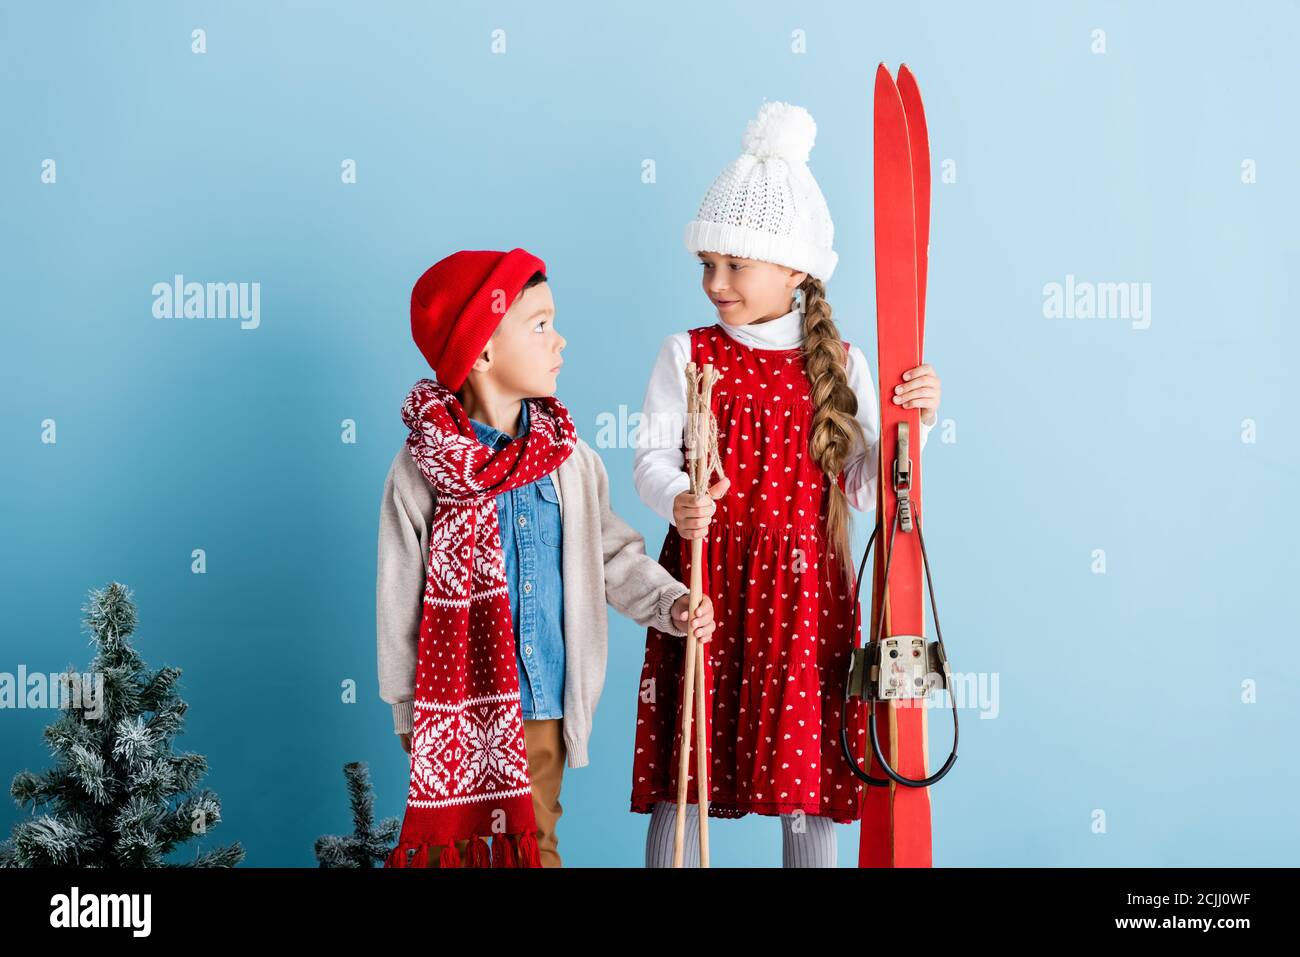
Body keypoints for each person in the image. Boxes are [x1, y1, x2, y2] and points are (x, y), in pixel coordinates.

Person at [630, 103, 943, 867]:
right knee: (687, 769)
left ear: (795, 269)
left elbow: (868, 490)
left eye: (735, 264)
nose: (715, 282)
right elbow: (647, 459)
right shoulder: (687, 351)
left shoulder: (840, 363)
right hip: (704, 588)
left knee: (804, 780)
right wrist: (678, 496)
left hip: (802, 597)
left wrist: (917, 428)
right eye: (707, 263)